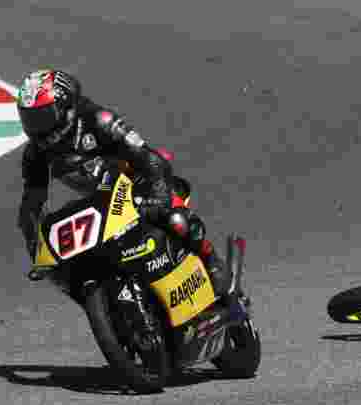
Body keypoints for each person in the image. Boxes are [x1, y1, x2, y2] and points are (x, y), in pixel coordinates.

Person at [15, 69, 234, 337]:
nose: (37, 127)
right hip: (103, 196)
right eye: (30, 118)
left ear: (65, 106)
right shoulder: (35, 153)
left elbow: (149, 157)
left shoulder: (99, 120)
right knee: (70, 266)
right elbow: (32, 202)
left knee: (173, 217)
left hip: (139, 179)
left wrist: (158, 195)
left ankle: (211, 259)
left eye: (42, 116)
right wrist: (35, 245)